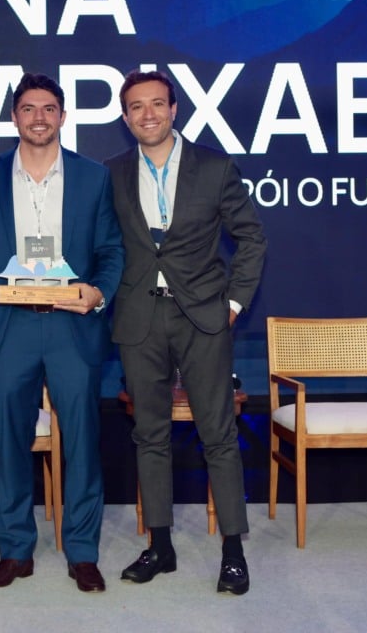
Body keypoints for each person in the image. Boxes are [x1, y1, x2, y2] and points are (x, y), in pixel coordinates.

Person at [0, 72, 124, 593]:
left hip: (73, 325)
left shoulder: (93, 177)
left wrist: (98, 293)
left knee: (82, 442)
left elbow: (111, 251)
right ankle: (15, 550)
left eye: (49, 108)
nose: (39, 118)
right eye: (28, 108)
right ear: (14, 117)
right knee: (12, 442)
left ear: (63, 116)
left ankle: (82, 552)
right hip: (9, 329)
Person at [106, 69, 266, 595]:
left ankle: (233, 553)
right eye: (136, 106)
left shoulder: (215, 167)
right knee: (149, 435)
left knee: (218, 435)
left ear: (174, 109)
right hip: (139, 319)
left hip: (203, 317)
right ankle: (160, 546)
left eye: (157, 103)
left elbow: (251, 238)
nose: (147, 113)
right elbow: (104, 247)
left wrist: (233, 304)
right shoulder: (111, 173)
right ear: (125, 116)